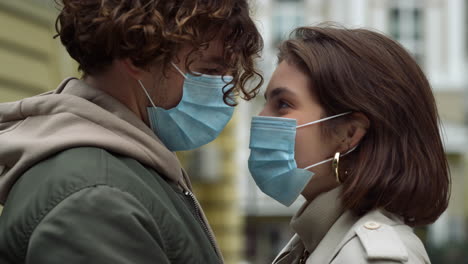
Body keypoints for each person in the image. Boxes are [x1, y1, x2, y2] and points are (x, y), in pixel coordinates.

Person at [0, 0, 262, 263]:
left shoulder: (128, 169)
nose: (225, 91)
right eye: (210, 70)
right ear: (138, 53)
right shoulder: (97, 200)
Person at [247, 26, 449, 264]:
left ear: (349, 133)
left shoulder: (373, 258)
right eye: (266, 102)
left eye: (283, 105)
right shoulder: (307, 246)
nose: (261, 118)